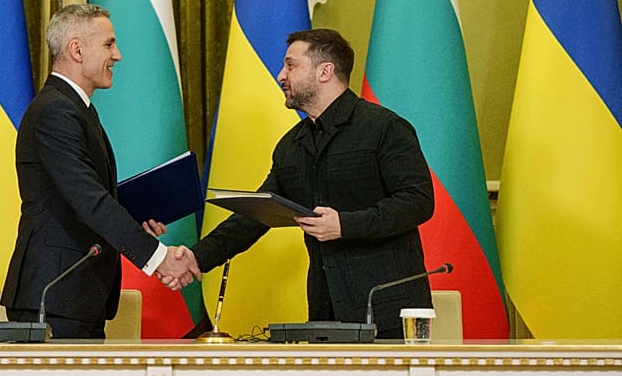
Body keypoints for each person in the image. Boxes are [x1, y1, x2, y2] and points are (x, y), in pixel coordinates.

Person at [173, 28, 434, 338]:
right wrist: (196, 257)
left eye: (291, 65)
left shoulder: (385, 128)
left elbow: (418, 200)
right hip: (325, 313)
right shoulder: (290, 146)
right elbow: (256, 214)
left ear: (325, 71)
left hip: (389, 311)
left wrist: (344, 225)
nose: (281, 76)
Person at [1, 3, 200, 339]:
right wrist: (158, 258)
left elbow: (81, 198)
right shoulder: (55, 112)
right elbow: (89, 201)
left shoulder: (77, 110)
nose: (117, 55)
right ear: (77, 50)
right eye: (109, 44)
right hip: (54, 295)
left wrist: (133, 217)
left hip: (78, 295)